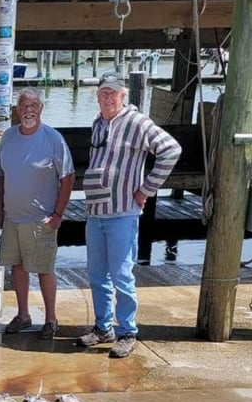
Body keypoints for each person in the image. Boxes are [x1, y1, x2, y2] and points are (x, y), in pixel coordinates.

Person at [78, 69, 181, 358]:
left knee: (121, 274)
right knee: (97, 275)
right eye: (103, 93)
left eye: (113, 93)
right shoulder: (97, 123)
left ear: (123, 95)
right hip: (95, 212)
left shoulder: (137, 122)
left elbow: (171, 150)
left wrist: (146, 189)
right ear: (97, 96)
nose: (108, 97)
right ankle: (102, 327)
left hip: (122, 212)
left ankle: (127, 331)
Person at [0, 87, 74, 340]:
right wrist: (0, 209)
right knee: (17, 268)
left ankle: (51, 319)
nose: (28, 110)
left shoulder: (53, 139)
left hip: (41, 220)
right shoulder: (7, 137)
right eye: (24, 105)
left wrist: (58, 214)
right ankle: (23, 314)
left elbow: (68, 177)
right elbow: (0, 174)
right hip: (13, 219)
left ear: (41, 109)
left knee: (44, 270)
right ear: (17, 110)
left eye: (33, 105)